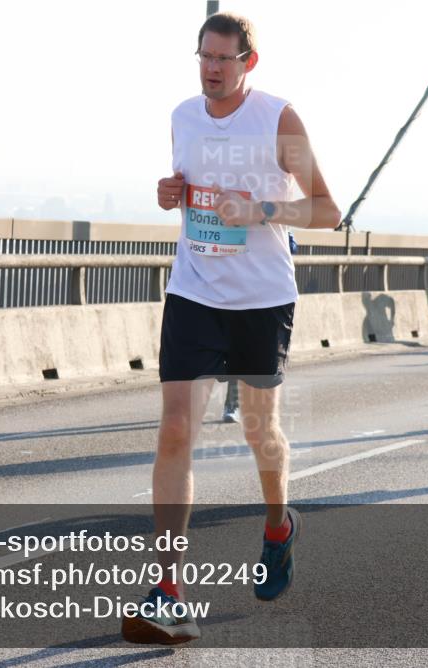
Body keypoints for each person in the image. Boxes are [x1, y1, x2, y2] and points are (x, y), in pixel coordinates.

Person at [122, 13, 340, 645]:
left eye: (224, 59)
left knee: (259, 431)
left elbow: (328, 209)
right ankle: (169, 590)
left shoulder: (279, 119)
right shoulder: (183, 116)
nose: (212, 69)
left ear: (250, 62)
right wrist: (174, 192)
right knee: (174, 431)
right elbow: (192, 194)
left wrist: (261, 209)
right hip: (193, 290)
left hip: (262, 300)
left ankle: (278, 523)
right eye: (204, 57)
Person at [222, 230, 298, 423]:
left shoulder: (271, 220)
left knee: (252, 356)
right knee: (234, 348)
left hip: (264, 299)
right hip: (231, 293)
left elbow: (291, 246)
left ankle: (239, 404)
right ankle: (233, 403)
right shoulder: (229, 225)